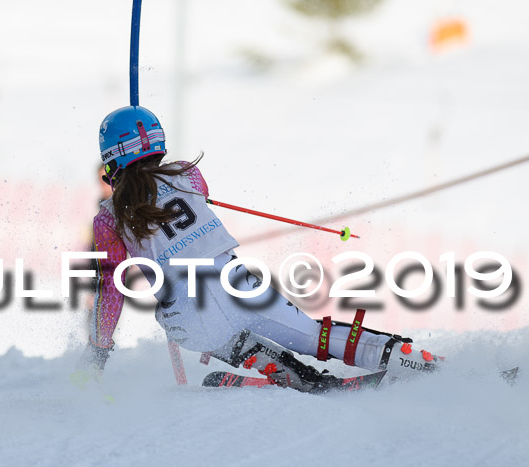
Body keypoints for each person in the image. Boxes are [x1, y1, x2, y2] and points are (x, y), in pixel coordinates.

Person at [74, 105, 443, 393]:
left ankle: (290, 373)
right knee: (316, 336)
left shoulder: (107, 220)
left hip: (185, 317)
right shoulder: (187, 172)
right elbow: (193, 195)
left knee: (226, 337)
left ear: (110, 157)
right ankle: (419, 365)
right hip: (235, 285)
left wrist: (98, 352)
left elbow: (111, 291)